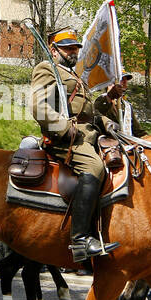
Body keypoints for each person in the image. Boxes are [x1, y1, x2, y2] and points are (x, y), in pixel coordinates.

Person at [29, 29, 114, 262]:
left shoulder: (76, 77)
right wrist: (65, 128)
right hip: (67, 139)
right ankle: (80, 239)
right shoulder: (46, 69)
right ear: (54, 50)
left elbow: (90, 113)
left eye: (75, 48)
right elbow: (38, 106)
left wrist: (107, 121)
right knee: (95, 168)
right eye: (68, 48)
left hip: (90, 134)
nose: (73, 52)